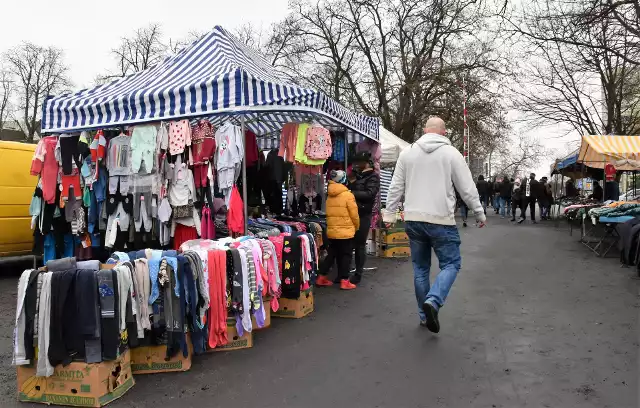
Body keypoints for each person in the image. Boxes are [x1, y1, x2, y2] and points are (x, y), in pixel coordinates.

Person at [383, 117, 485, 333]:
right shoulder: (451, 154)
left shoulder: (407, 154)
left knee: (420, 269)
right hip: (441, 220)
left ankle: (423, 314)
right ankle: (434, 300)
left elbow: (395, 187)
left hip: (413, 219)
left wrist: (390, 215)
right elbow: (466, 187)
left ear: (423, 130)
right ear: (444, 133)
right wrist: (478, 212)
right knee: (451, 264)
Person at [316, 170, 360, 290]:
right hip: (346, 231)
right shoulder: (348, 195)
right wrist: (356, 227)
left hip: (332, 230)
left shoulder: (330, 195)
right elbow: (354, 215)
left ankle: (321, 277)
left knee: (332, 254)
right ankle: (344, 280)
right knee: (346, 255)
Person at [347, 151, 380, 285]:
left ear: (365, 163)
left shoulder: (373, 177)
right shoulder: (357, 175)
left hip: (363, 214)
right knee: (348, 244)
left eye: (358, 162)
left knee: (360, 245)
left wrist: (350, 193)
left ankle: (358, 273)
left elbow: (370, 194)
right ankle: (344, 273)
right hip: (351, 213)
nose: (356, 165)